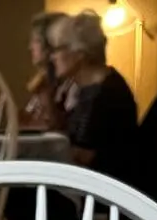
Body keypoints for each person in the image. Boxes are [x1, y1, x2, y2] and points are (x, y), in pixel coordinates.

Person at [49, 11, 138, 183]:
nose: (52, 57)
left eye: (58, 49)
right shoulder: (90, 88)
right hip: (90, 186)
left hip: (102, 195)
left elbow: (84, 156)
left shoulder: (105, 94)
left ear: (80, 53)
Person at [22, 11, 73, 129]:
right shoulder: (41, 81)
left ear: (50, 44)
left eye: (36, 41)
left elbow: (54, 128)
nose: (30, 47)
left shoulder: (66, 84)